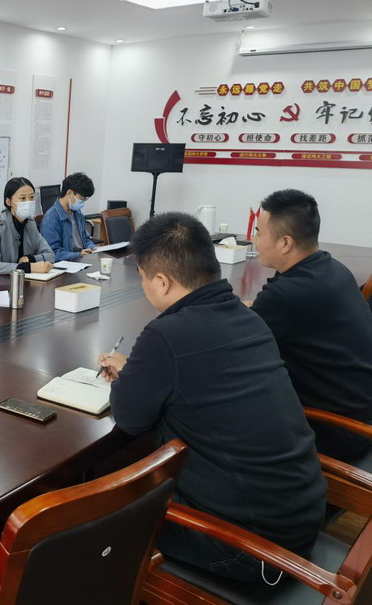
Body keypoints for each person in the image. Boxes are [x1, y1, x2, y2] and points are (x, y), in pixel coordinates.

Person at [98, 212, 324, 583]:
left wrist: (134, 374)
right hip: (301, 516)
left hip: (251, 551)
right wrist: (139, 370)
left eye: (142, 278)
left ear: (162, 281)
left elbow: (130, 417)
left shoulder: (167, 334)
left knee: (97, 511)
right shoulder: (248, 318)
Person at [249, 189, 372, 462]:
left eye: (258, 232)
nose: (253, 240)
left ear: (285, 243)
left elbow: (233, 343)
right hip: (361, 410)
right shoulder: (334, 269)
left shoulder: (286, 296)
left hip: (335, 432)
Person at [0, 177, 54, 280]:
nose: (29, 202)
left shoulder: (30, 223)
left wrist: (30, 259)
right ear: (8, 202)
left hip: (13, 280)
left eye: (31, 197)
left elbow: (50, 255)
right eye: (22, 198)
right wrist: (29, 267)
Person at [39, 172, 98, 260]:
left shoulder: (77, 213)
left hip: (80, 259)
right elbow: (52, 253)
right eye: (82, 199)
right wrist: (78, 254)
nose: (83, 202)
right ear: (70, 193)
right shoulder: (51, 218)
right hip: (65, 263)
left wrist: (92, 247)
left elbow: (85, 239)